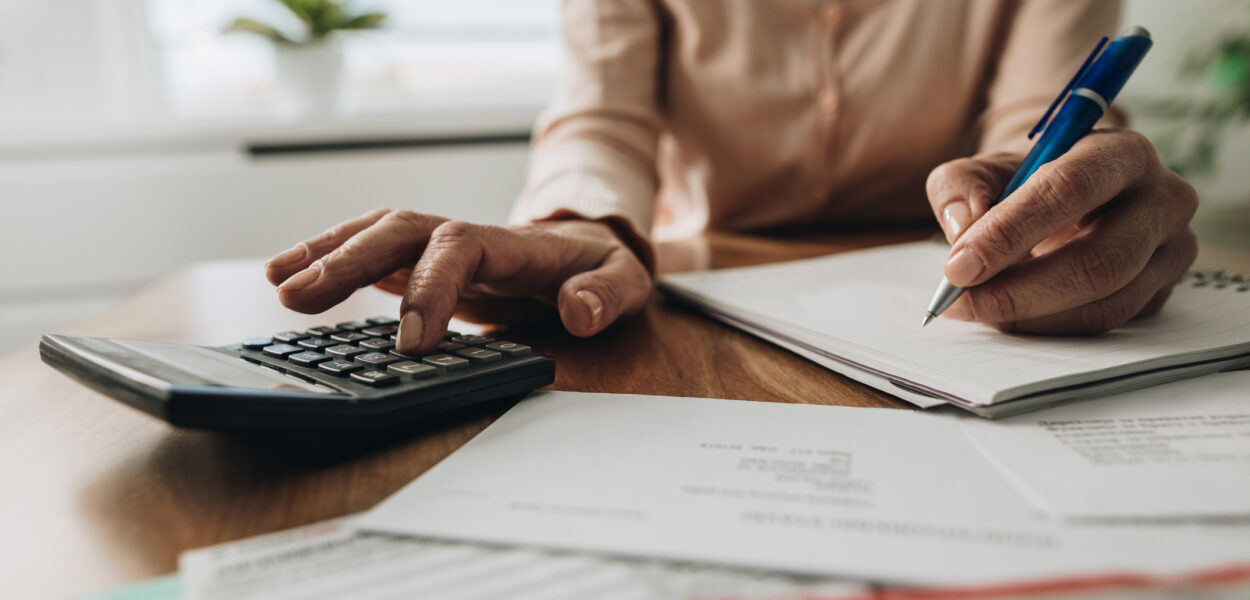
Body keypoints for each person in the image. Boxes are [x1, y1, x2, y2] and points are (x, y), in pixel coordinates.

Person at [264, 0, 1198, 356]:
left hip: (943, 293)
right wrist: (584, 220)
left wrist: (1074, 188)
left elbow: (1041, 120)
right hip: (698, 303)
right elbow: (601, 117)